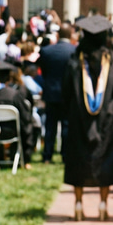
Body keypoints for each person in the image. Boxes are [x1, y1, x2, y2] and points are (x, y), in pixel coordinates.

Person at [63, 15, 113, 221]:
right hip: (106, 117)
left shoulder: (74, 61)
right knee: (105, 157)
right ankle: (102, 204)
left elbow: (66, 91)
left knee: (78, 157)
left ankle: (78, 204)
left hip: (78, 116)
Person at [38, 23, 77, 163]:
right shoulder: (75, 50)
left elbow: (44, 71)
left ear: (58, 34)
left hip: (51, 92)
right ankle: (65, 155)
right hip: (68, 94)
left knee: (50, 126)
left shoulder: (47, 51)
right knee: (66, 125)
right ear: (71, 34)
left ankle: (47, 155)